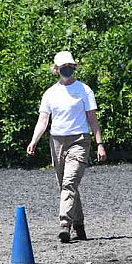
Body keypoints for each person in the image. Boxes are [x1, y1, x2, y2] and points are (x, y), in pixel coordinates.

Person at [27, 51, 107, 243]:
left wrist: (100, 144)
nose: (68, 69)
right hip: (56, 141)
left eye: (71, 66)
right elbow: (43, 120)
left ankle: (65, 224)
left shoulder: (84, 90)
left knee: (69, 183)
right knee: (65, 185)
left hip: (79, 140)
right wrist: (34, 140)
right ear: (56, 70)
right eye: (64, 67)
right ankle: (79, 225)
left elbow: (92, 120)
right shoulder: (50, 93)